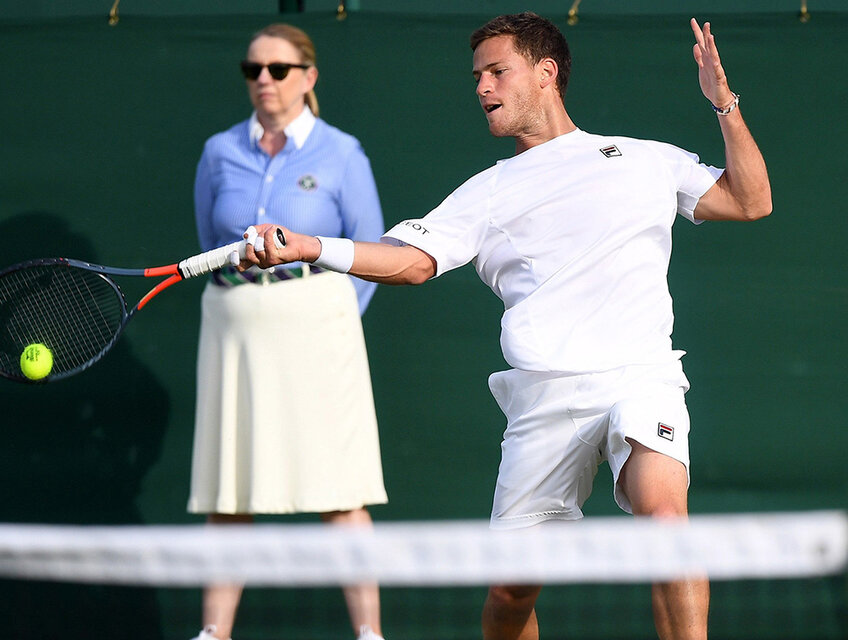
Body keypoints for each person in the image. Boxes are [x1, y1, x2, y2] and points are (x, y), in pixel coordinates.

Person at [243, 12, 771, 640]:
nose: (482, 88)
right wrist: (310, 246)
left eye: (497, 72)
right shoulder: (485, 192)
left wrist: (725, 104)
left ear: (546, 74)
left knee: (668, 530)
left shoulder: (644, 160)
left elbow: (750, 199)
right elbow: (411, 263)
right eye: (477, 77)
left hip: (640, 376)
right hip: (544, 395)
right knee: (510, 588)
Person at [188, 23, 388, 640]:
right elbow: (208, 240)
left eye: (277, 69)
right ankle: (214, 633)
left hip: (320, 331)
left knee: (341, 489)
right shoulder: (219, 151)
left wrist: (322, 318)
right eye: (253, 71)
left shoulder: (343, 153)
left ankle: (368, 634)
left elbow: (370, 252)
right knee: (229, 490)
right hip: (235, 327)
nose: (264, 82)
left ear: (308, 76)